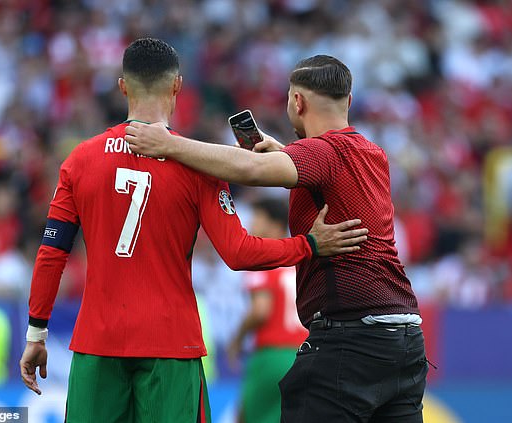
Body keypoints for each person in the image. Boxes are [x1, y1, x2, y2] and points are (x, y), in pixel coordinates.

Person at [19, 40, 368, 423]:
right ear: (177, 86)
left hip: (97, 345)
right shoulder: (199, 164)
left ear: (123, 87)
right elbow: (240, 253)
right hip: (171, 346)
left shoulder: (80, 160)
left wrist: (37, 332)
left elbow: (52, 251)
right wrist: (310, 245)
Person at [124, 54, 428, 423]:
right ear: (348, 102)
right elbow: (331, 175)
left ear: (296, 102)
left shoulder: (321, 152)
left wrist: (169, 145)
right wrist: (285, 154)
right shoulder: (372, 152)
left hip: (351, 340)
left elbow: (251, 169)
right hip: (406, 340)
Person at [227, 197, 308, 423]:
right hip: (305, 355)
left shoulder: (263, 258)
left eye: (257, 219)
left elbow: (260, 310)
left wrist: (237, 339)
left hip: (272, 355)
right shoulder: (301, 262)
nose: (251, 226)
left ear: (274, 225)